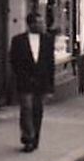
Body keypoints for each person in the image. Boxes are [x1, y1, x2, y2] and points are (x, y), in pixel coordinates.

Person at [9, 12, 54, 152]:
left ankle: (35, 138)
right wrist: (20, 76)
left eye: (42, 22)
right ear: (31, 24)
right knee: (26, 108)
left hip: (41, 81)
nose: (42, 25)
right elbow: (14, 60)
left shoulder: (47, 40)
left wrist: (50, 86)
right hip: (25, 81)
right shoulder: (18, 40)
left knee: (37, 110)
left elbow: (50, 63)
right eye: (39, 23)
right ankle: (28, 137)